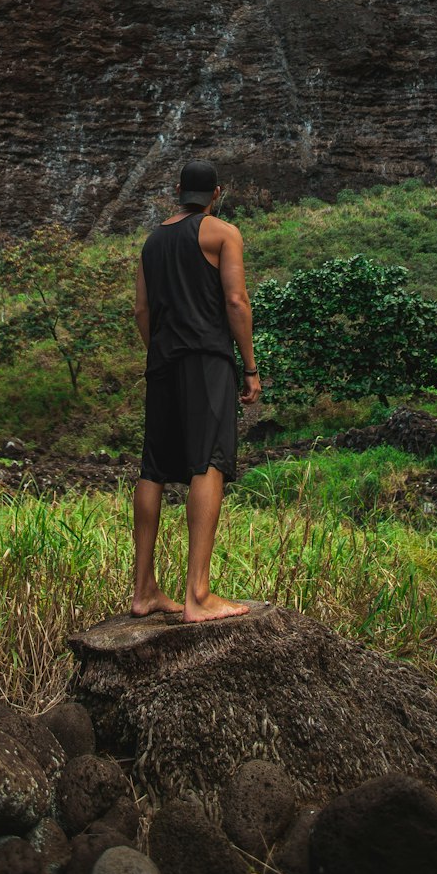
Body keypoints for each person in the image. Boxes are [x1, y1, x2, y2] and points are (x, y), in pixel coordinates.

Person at [131, 158, 262, 622]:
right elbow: (235, 300)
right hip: (207, 359)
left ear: (177, 190)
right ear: (217, 193)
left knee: (154, 468)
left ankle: (144, 590)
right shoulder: (221, 232)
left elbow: (142, 311)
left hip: (163, 361)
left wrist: (161, 353)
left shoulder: (152, 241)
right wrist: (249, 367)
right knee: (209, 461)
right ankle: (198, 596)